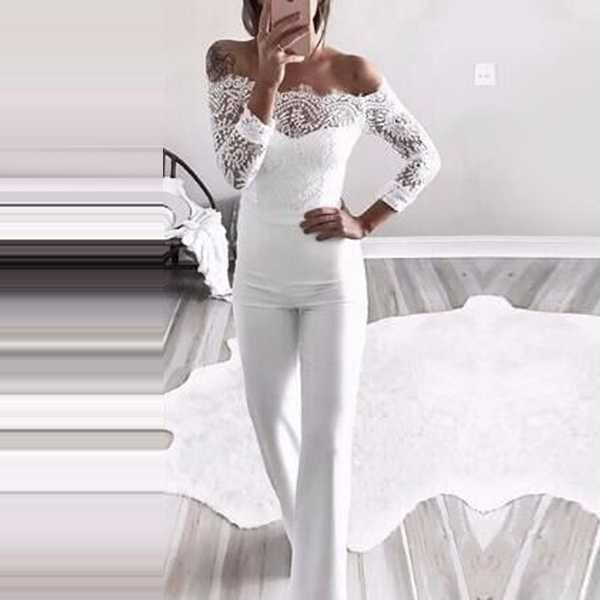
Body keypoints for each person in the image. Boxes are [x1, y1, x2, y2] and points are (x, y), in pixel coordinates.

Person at [205, 0, 442, 597]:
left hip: (332, 283)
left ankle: (320, 585)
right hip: (258, 279)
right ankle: (310, 535)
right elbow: (237, 172)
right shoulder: (226, 61)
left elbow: (423, 155)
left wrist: (367, 220)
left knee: (328, 442)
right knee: (269, 419)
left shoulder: (354, 73)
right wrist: (267, 81)